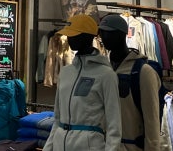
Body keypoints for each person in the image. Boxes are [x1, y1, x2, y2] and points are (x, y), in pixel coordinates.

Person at [43, 14, 121, 151]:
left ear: (87, 37)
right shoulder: (65, 73)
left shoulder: (106, 75)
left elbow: (114, 125)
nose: (69, 39)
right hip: (60, 145)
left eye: (74, 35)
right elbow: (57, 119)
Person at [97, 13, 168, 151]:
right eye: (102, 33)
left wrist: (152, 148)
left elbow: (152, 120)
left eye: (109, 33)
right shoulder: (104, 70)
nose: (104, 38)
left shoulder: (143, 72)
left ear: (121, 34)